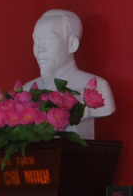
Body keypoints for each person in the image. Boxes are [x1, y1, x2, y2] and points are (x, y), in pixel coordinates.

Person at [22, 9, 115, 139]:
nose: (39, 49)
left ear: (72, 44)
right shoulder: (26, 90)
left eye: (49, 40)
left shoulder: (98, 87)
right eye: (36, 41)